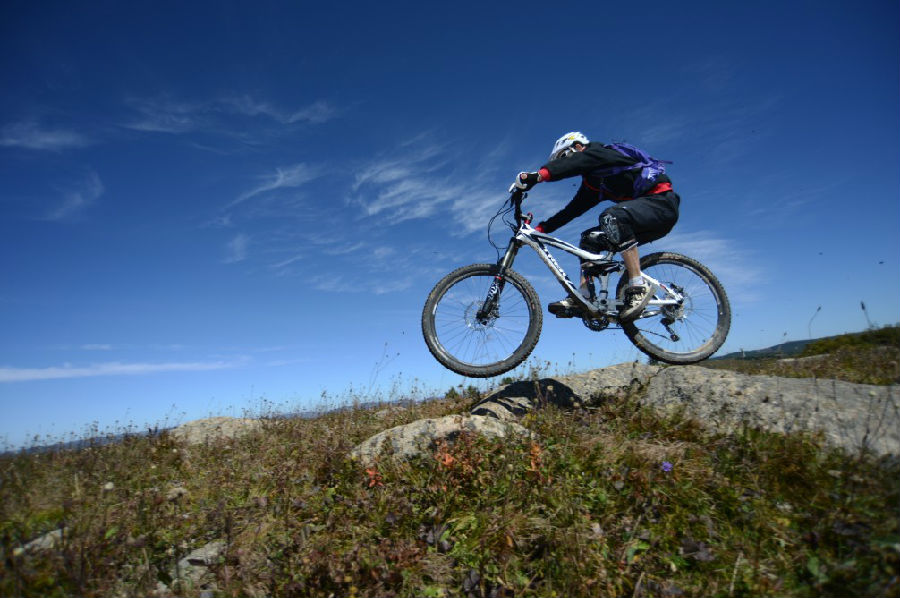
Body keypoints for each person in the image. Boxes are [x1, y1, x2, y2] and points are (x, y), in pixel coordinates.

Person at [510, 131, 679, 321]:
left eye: (564, 156)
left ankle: (638, 285)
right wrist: (539, 230)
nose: (564, 162)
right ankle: (585, 295)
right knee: (588, 240)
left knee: (612, 217)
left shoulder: (600, 153)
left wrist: (538, 176)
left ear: (578, 147)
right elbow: (571, 211)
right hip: (642, 217)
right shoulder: (595, 182)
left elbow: (577, 162)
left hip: (661, 205)